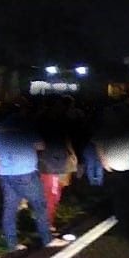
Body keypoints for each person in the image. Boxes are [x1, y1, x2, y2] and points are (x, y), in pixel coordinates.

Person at [0, 102, 61, 252]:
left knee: (10, 208)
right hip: (26, 173)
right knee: (40, 205)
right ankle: (47, 239)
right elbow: (41, 146)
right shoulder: (26, 126)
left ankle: (12, 244)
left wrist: (0, 164)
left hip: (5, 174)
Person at [94, 100, 129, 222]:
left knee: (125, 193)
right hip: (125, 166)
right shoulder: (114, 126)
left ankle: (128, 215)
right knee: (127, 193)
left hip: (126, 165)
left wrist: (104, 162)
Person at [36, 99, 78, 239]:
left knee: (53, 194)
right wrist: (72, 154)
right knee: (52, 195)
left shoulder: (44, 122)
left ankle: (47, 223)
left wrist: (71, 154)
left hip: (53, 163)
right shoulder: (51, 123)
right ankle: (47, 225)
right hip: (52, 164)